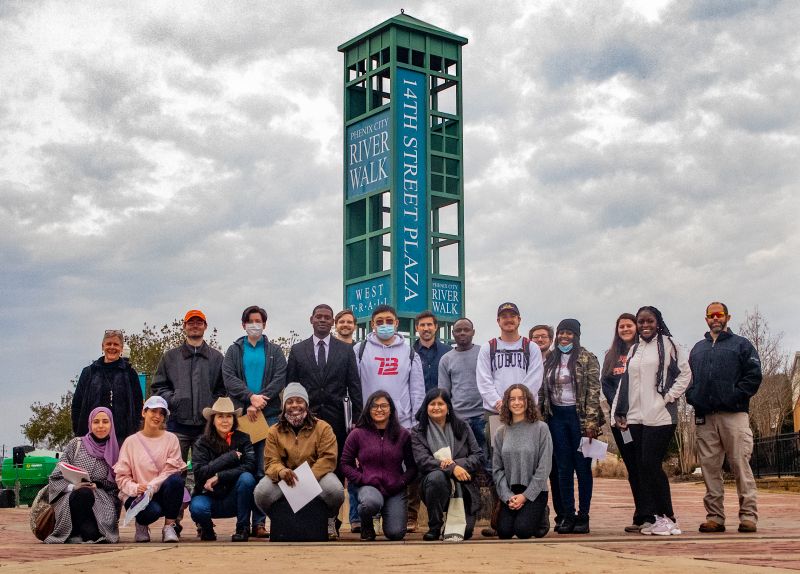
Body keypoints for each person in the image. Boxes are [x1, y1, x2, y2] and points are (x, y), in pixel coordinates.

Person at [612, 306, 691, 536]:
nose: (645, 326)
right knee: (641, 468)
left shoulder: (670, 345)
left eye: (650, 321)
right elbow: (625, 382)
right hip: (635, 417)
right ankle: (651, 517)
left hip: (660, 416)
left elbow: (686, 375)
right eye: (641, 322)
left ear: (658, 322)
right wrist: (619, 413)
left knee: (651, 465)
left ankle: (668, 517)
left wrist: (667, 397)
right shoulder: (635, 348)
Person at [687, 302, 762, 534]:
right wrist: (693, 397)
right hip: (705, 417)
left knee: (741, 464)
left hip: (734, 415)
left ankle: (748, 516)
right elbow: (688, 380)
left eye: (720, 314)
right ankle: (715, 517)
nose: (716, 318)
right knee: (710, 469)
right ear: (706, 318)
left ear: (728, 317)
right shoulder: (698, 349)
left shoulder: (742, 345)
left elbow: (753, 376)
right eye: (712, 315)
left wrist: (734, 397)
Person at [475, 302, 544, 537]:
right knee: (499, 463)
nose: (508, 320)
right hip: (497, 413)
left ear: (519, 319)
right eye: (504, 316)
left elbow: (535, 376)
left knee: (530, 461)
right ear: (498, 321)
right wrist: (500, 403)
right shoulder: (489, 347)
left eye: (512, 316)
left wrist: (520, 403)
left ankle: (537, 513)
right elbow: (483, 379)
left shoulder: (530, 347)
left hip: (525, 412)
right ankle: (501, 513)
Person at [355, 304, 425, 532]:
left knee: (405, 469)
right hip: (368, 424)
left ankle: (408, 514)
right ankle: (371, 513)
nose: (384, 325)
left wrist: (415, 421)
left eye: (389, 321)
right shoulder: (361, 349)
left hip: (402, 422)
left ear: (396, 324)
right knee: (369, 466)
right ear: (373, 324)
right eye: (379, 321)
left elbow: (417, 389)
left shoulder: (409, 351)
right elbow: (353, 388)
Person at [222, 305, 287, 538]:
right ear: (243, 325)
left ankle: (259, 522)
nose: (254, 324)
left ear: (265, 324)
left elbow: (280, 377)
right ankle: (242, 523)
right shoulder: (233, 351)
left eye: (258, 320)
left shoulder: (275, 351)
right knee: (244, 470)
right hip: (242, 416)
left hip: (267, 416)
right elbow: (229, 378)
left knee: (263, 469)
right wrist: (250, 397)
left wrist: (260, 401)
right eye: (250, 321)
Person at [253, 383, 344, 539]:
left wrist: (307, 478)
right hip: (285, 478)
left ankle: (329, 519)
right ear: (283, 406)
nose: (294, 405)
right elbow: (270, 461)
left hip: (316, 476)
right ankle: (281, 520)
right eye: (290, 402)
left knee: (335, 490)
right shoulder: (273, 431)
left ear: (306, 405)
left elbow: (328, 458)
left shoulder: (323, 428)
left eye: (299, 401)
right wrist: (281, 471)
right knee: (261, 493)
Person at [539, 319, 602, 534]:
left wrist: (591, 423)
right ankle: (567, 515)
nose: (564, 337)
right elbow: (541, 391)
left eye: (569, 333)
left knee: (582, 468)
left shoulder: (587, 358)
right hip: (556, 418)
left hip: (580, 419)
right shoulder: (549, 360)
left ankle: (583, 516)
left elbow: (594, 391)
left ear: (576, 335)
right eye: (561, 333)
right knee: (562, 469)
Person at [286, 304, 362, 471]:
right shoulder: (297, 350)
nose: (322, 320)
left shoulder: (345, 350)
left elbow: (354, 385)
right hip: (306, 416)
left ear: (332, 322)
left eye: (327, 317)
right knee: (305, 462)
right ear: (311, 320)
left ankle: (335, 496)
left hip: (337, 417)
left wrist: (357, 417)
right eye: (318, 316)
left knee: (337, 463)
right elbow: (291, 386)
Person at [341, 391, 417, 541]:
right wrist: (361, 478)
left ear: (391, 409)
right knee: (369, 504)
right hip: (369, 486)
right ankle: (367, 525)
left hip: (395, 488)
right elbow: (345, 463)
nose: (379, 409)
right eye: (374, 406)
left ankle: (389, 517)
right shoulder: (357, 434)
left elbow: (412, 467)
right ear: (368, 409)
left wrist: (401, 482)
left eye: (384, 405)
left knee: (396, 533)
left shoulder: (403, 435)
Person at [151, 309, 225, 465]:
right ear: (184, 326)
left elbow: (223, 389)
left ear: (205, 326)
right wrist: (174, 400)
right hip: (177, 426)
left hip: (206, 427)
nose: (195, 326)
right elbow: (158, 387)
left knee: (205, 473)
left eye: (199, 322)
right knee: (173, 473)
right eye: (191, 322)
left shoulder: (217, 358)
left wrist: (211, 404)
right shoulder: (170, 357)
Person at [411, 388, 484, 541]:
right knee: (436, 477)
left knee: (466, 532)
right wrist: (451, 468)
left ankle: (453, 523)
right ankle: (435, 526)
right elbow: (423, 461)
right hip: (434, 485)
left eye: (440, 404)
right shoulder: (418, 432)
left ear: (448, 407)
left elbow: (478, 455)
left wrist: (457, 465)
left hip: (464, 484)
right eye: (432, 404)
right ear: (426, 407)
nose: (436, 407)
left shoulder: (463, 427)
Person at [114, 396, 187, 543]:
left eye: (162, 413)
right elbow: (122, 476)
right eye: (153, 411)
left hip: (160, 491)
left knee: (176, 481)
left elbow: (171, 471)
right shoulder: (130, 442)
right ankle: (141, 524)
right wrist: (136, 487)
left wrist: (151, 487)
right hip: (139, 495)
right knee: (152, 512)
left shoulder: (171, 439)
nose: (157, 416)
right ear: (144, 412)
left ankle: (169, 526)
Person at [45, 407, 121, 543]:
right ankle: (72, 529)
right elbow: (55, 476)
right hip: (72, 498)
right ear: (90, 424)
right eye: (96, 422)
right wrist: (74, 487)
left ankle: (82, 531)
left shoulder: (116, 450)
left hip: (100, 504)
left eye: (105, 421)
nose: (101, 426)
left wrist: (98, 485)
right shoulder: (76, 444)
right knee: (83, 494)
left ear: (111, 424)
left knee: (92, 534)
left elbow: (116, 488)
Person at [189, 397, 257, 542]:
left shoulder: (243, 439)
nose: (225, 420)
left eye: (229, 416)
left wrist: (220, 476)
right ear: (213, 420)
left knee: (247, 479)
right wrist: (230, 457)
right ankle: (207, 529)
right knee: (198, 508)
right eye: (220, 416)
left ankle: (243, 528)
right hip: (208, 495)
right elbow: (200, 473)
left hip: (234, 497)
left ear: (234, 419)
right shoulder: (202, 442)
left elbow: (250, 466)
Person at [493, 384, 552, 540]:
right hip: (511, 492)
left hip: (535, 491)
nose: (517, 403)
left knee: (523, 531)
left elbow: (544, 467)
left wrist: (525, 496)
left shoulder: (541, 428)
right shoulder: (501, 432)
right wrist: (507, 496)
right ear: (507, 403)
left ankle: (542, 515)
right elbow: (497, 469)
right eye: (512, 399)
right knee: (504, 532)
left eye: (521, 398)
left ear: (528, 402)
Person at [600, 313, 642, 532]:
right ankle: (640, 512)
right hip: (621, 421)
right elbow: (606, 383)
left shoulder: (644, 351)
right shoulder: (611, 356)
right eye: (621, 326)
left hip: (643, 417)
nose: (625, 329)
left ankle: (656, 511)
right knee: (633, 467)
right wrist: (618, 411)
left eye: (629, 325)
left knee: (647, 466)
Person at [72, 330, 143, 444]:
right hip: (90, 439)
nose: (112, 347)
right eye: (108, 344)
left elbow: (138, 406)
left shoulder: (130, 373)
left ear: (121, 348)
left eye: (116, 344)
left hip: (122, 440)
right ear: (102, 346)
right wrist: (79, 433)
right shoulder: (88, 372)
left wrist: (134, 432)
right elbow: (76, 405)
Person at [529, 323, 563, 528]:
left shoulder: (558, 360)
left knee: (556, 470)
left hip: (553, 420)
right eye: (535, 337)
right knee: (534, 471)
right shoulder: (527, 360)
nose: (539, 340)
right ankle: (537, 513)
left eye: (543, 336)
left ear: (550, 339)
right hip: (531, 422)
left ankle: (561, 515)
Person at [438, 318, 486, 457]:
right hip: (458, 418)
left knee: (486, 457)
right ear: (453, 333)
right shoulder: (446, 359)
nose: (462, 333)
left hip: (482, 416)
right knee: (461, 457)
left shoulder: (483, 353)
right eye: (458, 330)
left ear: (473, 332)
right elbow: (444, 392)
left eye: (466, 329)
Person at [413, 311, 452, 392]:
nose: (426, 328)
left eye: (429, 324)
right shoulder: (410, 353)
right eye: (422, 325)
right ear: (417, 328)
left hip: (443, 403)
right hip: (419, 404)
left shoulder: (449, 352)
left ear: (436, 327)